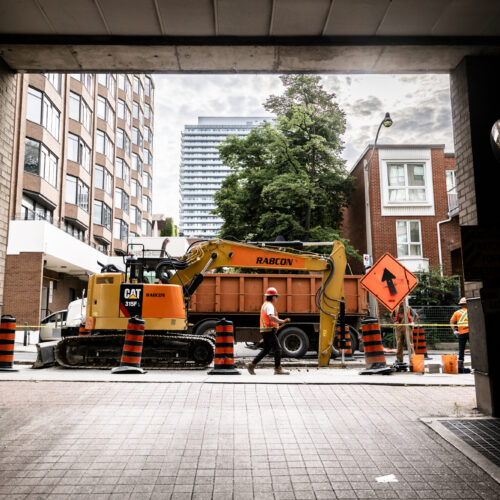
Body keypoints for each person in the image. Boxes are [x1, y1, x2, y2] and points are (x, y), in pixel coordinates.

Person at [247, 287, 290, 375]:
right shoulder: (269, 305)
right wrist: (282, 321)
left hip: (266, 330)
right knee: (277, 349)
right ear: (273, 297)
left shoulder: (265, 304)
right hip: (268, 331)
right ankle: (277, 368)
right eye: (276, 296)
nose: (277, 298)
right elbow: (271, 317)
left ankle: (252, 365)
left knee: (266, 349)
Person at [450, 297, 471, 373]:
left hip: (461, 333)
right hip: (471, 333)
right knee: (475, 350)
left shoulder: (457, 312)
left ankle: (460, 368)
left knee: (461, 350)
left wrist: (454, 331)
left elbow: (451, 322)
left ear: (461, 304)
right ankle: (476, 367)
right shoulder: (471, 311)